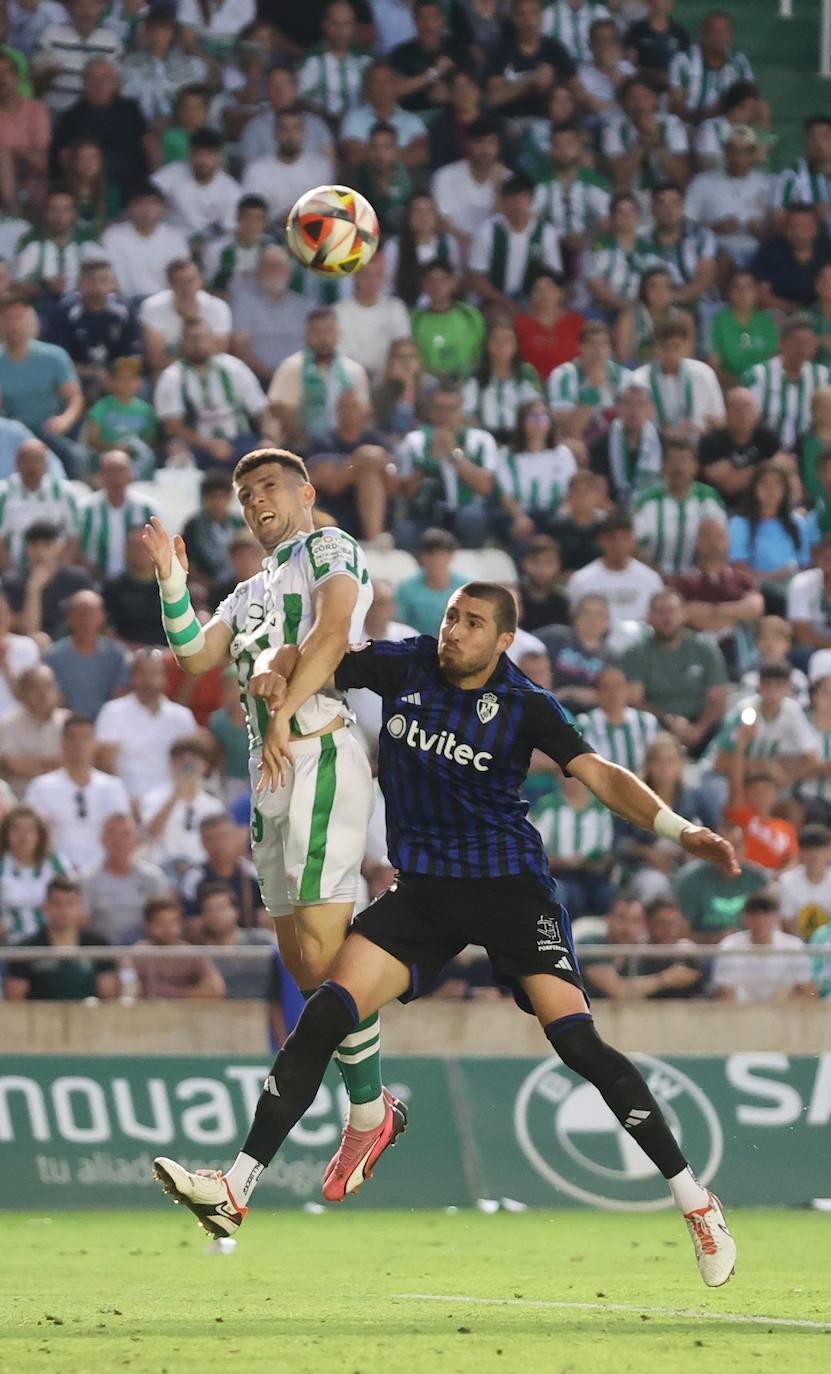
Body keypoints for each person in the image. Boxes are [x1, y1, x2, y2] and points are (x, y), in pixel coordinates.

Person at [155, 580, 739, 1291]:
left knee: (577, 1042)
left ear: (502, 641)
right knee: (327, 1010)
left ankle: (693, 1199)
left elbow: (600, 774)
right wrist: (279, 664)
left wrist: (679, 830)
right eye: (451, 616)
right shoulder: (406, 664)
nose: (453, 631)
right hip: (424, 894)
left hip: (510, 893)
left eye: (472, 623)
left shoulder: (525, 704)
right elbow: (317, 650)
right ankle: (236, 1188)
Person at [142, 446, 398, 1202]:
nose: (255, 500)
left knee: (327, 948)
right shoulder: (250, 589)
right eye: (243, 491)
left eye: (268, 486)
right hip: (270, 773)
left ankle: (366, 1112)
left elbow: (331, 630)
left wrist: (283, 709)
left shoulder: (328, 546)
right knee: (310, 967)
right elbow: (193, 655)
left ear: (305, 492)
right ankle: (369, 1106)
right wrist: (170, 579)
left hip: (317, 750)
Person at [622, 587, 729, 753]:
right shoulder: (636, 653)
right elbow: (635, 700)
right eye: (660, 612)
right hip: (656, 725)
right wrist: (668, 720)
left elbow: (718, 699)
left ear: (683, 614)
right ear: (649, 616)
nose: (667, 618)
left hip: (702, 726)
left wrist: (697, 731)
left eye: (672, 611)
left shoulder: (705, 648)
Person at [155, 318, 271, 471]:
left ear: (211, 339)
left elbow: (261, 410)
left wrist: (268, 439)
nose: (197, 344)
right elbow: (172, 426)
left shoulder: (234, 368)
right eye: (191, 339)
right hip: (197, 445)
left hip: (240, 440)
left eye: (202, 337)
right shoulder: (172, 376)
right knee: (177, 453)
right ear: (182, 342)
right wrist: (208, 444)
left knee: (267, 455)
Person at [396, 384, 499, 550]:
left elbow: (486, 487)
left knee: (473, 517)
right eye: (438, 408)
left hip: (464, 513)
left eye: (450, 409)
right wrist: (427, 462)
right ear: (430, 411)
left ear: (460, 411)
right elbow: (407, 492)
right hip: (427, 515)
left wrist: (454, 454)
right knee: (405, 531)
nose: (444, 415)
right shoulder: (414, 441)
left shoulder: (481, 440)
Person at [23, 710, 128, 870]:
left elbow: (123, 834)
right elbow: (34, 835)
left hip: (102, 872)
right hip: (56, 872)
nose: (79, 744)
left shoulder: (114, 787)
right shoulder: (41, 787)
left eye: (86, 737)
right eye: (72, 738)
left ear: (95, 744)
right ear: (62, 743)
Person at [95, 648, 197, 801]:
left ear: (165, 677)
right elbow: (106, 766)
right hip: (125, 806)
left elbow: (191, 765)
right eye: (142, 673)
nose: (148, 680)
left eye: (155, 673)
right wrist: (126, 803)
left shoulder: (182, 717)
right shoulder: (112, 712)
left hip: (172, 806)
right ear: (132, 676)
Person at [0, 296, 84, 476]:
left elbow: (74, 398)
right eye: (7, 318)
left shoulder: (53, 356)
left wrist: (64, 420)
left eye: (19, 317)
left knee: (75, 457)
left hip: (48, 430)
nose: (13, 325)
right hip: (11, 432)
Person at [4, 873, 118, 1000]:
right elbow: (14, 1000)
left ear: (80, 907)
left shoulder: (98, 946)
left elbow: (108, 996)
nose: (63, 910)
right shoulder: (25, 950)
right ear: (45, 907)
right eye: (57, 903)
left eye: (70, 903)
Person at [268, 308, 370, 448]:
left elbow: (363, 411)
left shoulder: (354, 370)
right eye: (317, 333)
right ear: (307, 335)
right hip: (303, 443)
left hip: (347, 442)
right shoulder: (291, 367)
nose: (323, 339)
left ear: (339, 334)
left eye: (329, 332)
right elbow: (280, 409)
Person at [50, 57, 148, 199]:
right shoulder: (71, 117)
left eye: (106, 77)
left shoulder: (131, 110)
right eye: (93, 78)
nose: (100, 83)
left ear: (115, 81)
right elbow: (64, 156)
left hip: (132, 182)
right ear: (84, 82)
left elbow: (148, 144)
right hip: (91, 187)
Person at [305, 390, 393, 544]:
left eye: (354, 407)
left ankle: (374, 541)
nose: (349, 412)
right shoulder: (323, 442)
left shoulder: (377, 440)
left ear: (365, 410)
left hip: (379, 510)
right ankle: (373, 540)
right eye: (344, 407)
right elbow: (330, 484)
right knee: (367, 468)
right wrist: (358, 461)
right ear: (336, 411)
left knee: (370, 474)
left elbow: (394, 486)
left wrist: (376, 462)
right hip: (333, 511)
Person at [469, 174, 563, 316]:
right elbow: (477, 278)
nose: (517, 205)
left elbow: (553, 277)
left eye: (523, 199)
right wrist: (504, 302)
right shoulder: (487, 231)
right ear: (503, 202)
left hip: (533, 303)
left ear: (532, 201)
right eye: (512, 199)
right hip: (495, 302)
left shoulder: (546, 233)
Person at [634, 437, 726, 576]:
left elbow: (720, 545)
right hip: (656, 579)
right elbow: (633, 547)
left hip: (700, 581)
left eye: (684, 461)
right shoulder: (646, 501)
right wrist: (659, 574)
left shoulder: (709, 498)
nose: (678, 468)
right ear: (663, 466)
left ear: (695, 466)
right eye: (673, 461)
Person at [139, 736, 226, 874]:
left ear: (204, 766)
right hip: (162, 868)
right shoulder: (153, 798)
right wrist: (176, 795)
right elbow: (149, 833)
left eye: (193, 761)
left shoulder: (214, 806)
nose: (187, 766)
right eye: (181, 761)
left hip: (200, 871)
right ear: (172, 764)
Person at [496, 398, 579, 542]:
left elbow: (572, 488)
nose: (538, 423)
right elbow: (504, 493)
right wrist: (519, 517)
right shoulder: (507, 455)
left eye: (543, 417)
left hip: (555, 514)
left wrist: (564, 512)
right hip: (520, 515)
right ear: (522, 423)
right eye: (532, 417)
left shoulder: (562, 454)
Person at [684, 126, 769, 266]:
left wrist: (761, 232)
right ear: (725, 152)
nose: (737, 157)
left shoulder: (765, 183)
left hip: (758, 251)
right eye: (732, 150)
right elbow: (686, 226)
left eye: (744, 151)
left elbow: (775, 228)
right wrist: (715, 227)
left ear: (752, 153)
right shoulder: (702, 181)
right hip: (716, 251)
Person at [743, 317, 829, 451]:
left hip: (809, 455)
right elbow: (746, 423)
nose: (803, 349)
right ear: (782, 343)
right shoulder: (758, 375)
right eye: (797, 343)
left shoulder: (822, 377)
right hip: (765, 453)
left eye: (808, 343)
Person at [711, 891, 815, 1002]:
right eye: (754, 914)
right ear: (745, 918)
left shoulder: (794, 946)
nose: (760, 921)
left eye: (766, 914)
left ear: (777, 917)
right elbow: (726, 992)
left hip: (782, 1012)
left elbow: (808, 990)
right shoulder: (729, 946)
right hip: (740, 1013)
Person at [567, 513, 664, 633]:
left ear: (633, 540)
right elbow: (575, 621)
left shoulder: (651, 579)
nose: (619, 545)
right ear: (602, 541)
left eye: (625, 538)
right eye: (612, 539)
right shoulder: (581, 580)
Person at [486, 0, 577, 122]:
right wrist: (529, 81)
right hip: (511, 122)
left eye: (533, 14)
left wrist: (554, 83)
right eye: (521, 14)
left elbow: (577, 90)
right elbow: (493, 99)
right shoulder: (501, 51)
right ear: (513, 18)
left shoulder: (555, 50)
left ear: (541, 17)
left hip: (549, 123)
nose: (528, 21)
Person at [241, 105, 333, 226]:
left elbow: (326, 211)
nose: (290, 135)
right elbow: (251, 218)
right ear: (275, 134)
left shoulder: (321, 167)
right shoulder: (256, 170)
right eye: (284, 128)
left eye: (296, 128)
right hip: (269, 236)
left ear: (304, 133)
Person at [140, 258, 232, 377]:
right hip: (170, 374)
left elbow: (219, 353)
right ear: (170, 284)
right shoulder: (152, 307)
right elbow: (156, 361)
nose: (187, 288)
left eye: (191, 281)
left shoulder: (218, 308)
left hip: (209, 372)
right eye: (180, 282)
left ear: (200, 281)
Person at [631, 318, 725, 435]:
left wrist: (698, 427)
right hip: (655, 446)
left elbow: (720, 420)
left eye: (676, 346)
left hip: (696, 444)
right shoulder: (638, 380)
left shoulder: (704, 374)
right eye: (664, 347)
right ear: (655, 348)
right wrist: (664, 433)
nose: (670, 353)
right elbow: (630, 426)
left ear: (686, 347)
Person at [728, 462, 811, 594]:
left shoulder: (798, 523)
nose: (771, 490)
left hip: (795, 593)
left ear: (785, 490)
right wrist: (775, 577)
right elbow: (739, 573)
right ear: (754, 489)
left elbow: (806, 567)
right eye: (764, 484)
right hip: (757, 592)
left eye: (777, 485)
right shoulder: (739, 525)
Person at [3, 520, 93, 640]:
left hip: (71, 645)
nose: (41, 552)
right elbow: (27, 630)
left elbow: (92, 622)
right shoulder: (12, 581)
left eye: (47, 544)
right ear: (27, 549)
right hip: (31, 649)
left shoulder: (78, 579)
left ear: (59, 546)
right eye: (35, 545)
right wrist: (34, 590)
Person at [100, 183, 190, 302]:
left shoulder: (175, 238)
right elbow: (104, 278)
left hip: (164, 305)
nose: (147, 208)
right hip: (123, 305)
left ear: (163, 208)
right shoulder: (112, 236)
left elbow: (183, 278)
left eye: (153, 203)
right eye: (140, 202)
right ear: (129, 207)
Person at [430, 117, 507, 250]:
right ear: (467, 144)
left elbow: (503, 225)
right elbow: (441, 221)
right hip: (453, 247)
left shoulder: (509, 179)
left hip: (492, 250)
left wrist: (499, 190)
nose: (486, 149)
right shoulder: (444, 176)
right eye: (479, 142)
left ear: (499, 146)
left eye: (491, 142)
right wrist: (469, 243)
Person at [79, 448, 156, 580]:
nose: (115, 478)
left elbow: (158, 550)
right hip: (95, 581)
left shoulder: (147, 508)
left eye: (120, 470)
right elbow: (77, 551)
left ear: (131, 474)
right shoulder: (86, 509)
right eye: (109, 472)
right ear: (100, 476)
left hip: (138, 583)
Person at [190, 881, 276, 999]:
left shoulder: (263, 941)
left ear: (236, 911)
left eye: (221, 908)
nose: (216, 915)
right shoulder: (198, 955)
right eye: (209, 909)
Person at [33, 0, 122, 114]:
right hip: (55, 112)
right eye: (81, 5)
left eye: (93, 5)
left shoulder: (111, 40)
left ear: (101, 8)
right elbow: (34, 84)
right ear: (70, 8)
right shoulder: (51, 34)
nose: (87, 12)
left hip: (97, 114)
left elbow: (117, 85)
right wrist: (47, 74)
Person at [333, 251, 411, 381]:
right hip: (350, 379)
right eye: (366, 275)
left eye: (377, 275)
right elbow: (338, 354)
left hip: (387, 378)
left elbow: (403, 348)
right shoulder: (338, 311)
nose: (371, 281)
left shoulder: (395, 307)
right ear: (356, 277)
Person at [131, 894, 225, 1000]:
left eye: (173, 922)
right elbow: (127, 989)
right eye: (161, 922)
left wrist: (177, 1000)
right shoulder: (137, 953)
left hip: (185, 1012)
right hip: (147, 1011)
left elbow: (216, 987)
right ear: (148, 925)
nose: (168, 928)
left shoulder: (191, 953)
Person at [697, 386, 779, 506]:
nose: (743, 415)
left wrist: (738, 473)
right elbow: (729, 485)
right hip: (719, 507)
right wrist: (763, 471)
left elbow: (783, 469)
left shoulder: (767, 437)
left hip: (759, 507)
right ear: (725, 412)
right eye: (737, 409)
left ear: (757, 412)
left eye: (748, 408)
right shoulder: (711, 442)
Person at [340, 57, 428, 169]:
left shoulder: (413, 121)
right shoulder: (353, 119)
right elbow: (355, 156)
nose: (381, 88)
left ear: (396, 85)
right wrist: (402, 152)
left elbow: (420, 156)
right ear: (367, 88)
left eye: (386, 82)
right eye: (376, 82)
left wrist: (373, 153)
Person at [667, 9, 753, 123]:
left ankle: (762, 140)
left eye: (724, 31)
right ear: (704, 34)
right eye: (714, 31)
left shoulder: (739, 61)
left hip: (729, 123)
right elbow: (676, 106)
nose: (720, 36)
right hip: (691, 124)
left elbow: (750, 98)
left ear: (730, 34)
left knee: (762, 108)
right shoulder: (684, 60)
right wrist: (706, 116)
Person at [548, 321, 631, 439]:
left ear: (610, 350)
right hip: (580, 443)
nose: (598, 350)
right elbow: (568, 431)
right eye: (591, 344)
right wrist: (593, 390)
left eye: (603, 344)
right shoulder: (563, 376)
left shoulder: (623, 375)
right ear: (580, 347)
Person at [0, 803, 70, 941]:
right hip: (11, 945)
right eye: (16, 829)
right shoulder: (2, 868)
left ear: (40, 834)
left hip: (54, 943)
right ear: (6, 834)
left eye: (30, 829)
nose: (23, 835)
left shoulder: (57, 864)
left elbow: (75, 903)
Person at [588, 382, 662, 508]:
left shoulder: (663, 443)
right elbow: (599, 489)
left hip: (654, 509)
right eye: (627, 403)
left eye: (640, 404)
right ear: (618, 407)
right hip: (615, 511)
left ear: (651, 409)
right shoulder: (601, 444)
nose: (633, 410)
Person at [409, 259, 486, 381]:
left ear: (453, 283)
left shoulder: (470, 315)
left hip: (469, 381)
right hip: (429, 384)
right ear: (423, 285)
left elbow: (483, 351)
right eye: (431, 281)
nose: (437, 286)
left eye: (443, 280)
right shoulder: (414, 319)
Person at [180, 812, 261, 926]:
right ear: (202, 843)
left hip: (251, 938)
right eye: (211, 838)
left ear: (236, 837)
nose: (219, 844)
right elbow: (191, 918)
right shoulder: (194, 878)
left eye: (224, 836)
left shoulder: (253, 873)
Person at [576, 663, 659, 774]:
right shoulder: (584, 724)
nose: (613, 693)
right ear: (597, 692)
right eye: (606, 687)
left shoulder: (647, 722)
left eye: (618, 686)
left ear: (628, 690)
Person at [752, 203, 831, 315]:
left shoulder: (826, 249)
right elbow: (761, 294)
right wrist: (795, 309)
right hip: (781, 313)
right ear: (785, 228)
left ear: (816, 230)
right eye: (793, 226)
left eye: (804, 227)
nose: (798, 232)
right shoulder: (771, 249)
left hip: (822, 312)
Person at [0, 662, 66, 795]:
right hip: (21, 806)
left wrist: (31, 763)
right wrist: (54, 764)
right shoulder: (6, 724)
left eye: (48, 686)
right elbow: (12, 766)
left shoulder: (69, 722)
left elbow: (75, 762)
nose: (43, 693)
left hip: (61, 802)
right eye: (35, 687)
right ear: (22, 692)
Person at [708, 269, 779, 388]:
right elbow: (714, 367)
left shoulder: (767, 322)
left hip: (763, 387)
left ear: (756, 291)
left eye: (748, 288)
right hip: (728, 388)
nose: (742, 293)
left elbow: (773, 362)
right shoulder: (718, 321)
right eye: (737, 288)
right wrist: (739, 386)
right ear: (729, 292)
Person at [514, 269, 584, 383]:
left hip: (571, 388)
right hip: (532, 388)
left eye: (549, 288)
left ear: (560, 292)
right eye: (537, 289)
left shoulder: (577, 322)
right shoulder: (519, 324)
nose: (544, 294)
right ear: (530, 294)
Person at [778, 824, 831, 941]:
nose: (814, 855)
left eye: (819, 849)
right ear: (800, 853)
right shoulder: (787, 882)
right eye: (809, 849)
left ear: (829, 851)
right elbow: (787, 923)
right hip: (798, 947)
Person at [515, 534, 569, 632]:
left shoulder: (562, 603)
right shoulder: (515, 599)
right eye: (535, 562)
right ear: (524, 563)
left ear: (558, 564)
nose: (542, 569)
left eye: (548, 563)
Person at [0, 586, 38, 718]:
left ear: (10, 617)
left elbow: (29, 696)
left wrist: (5, 664)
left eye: (2, 613)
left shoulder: (27, 646)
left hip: (16, 728)